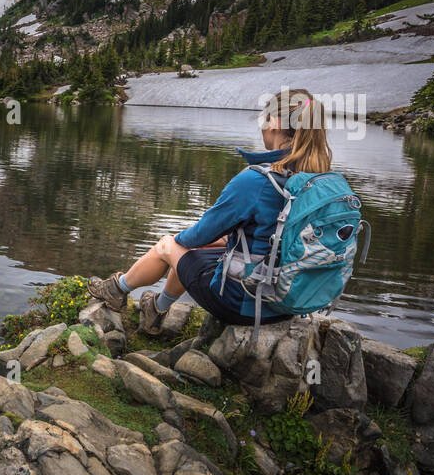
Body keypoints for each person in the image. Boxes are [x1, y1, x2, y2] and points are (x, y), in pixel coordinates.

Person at [89, 87, 333, 335]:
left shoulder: (256, 181)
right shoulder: (320, 180)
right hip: (287, 303)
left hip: (242, 303)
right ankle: (155, 309)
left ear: (276, 123)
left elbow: (198, 236)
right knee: (202, 247)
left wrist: (179, 243)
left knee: (168, 245)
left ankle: (116, 290)